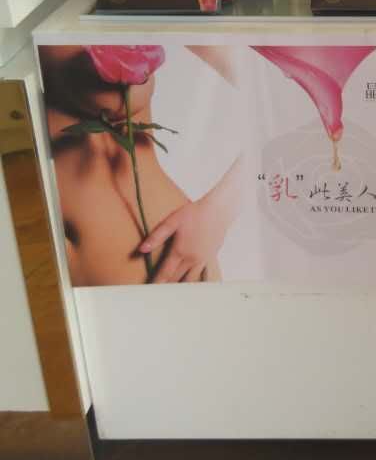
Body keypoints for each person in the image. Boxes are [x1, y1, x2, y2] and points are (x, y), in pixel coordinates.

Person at [39, 44, 242, 287]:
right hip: (40, 275)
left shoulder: (140, 22)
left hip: (171, 265)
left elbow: (276, 96)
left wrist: (217, 212)